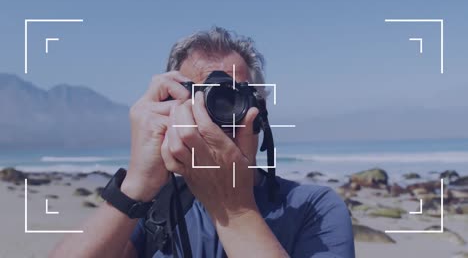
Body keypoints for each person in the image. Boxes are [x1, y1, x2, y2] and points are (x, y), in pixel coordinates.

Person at [50, 27, 355, 258]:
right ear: (168, 105)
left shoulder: (314, 207)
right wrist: (135, 186)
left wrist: (235, 210)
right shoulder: (155, 203)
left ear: (259, 112)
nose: (214, 113)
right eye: (197, 97)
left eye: (231, 97)